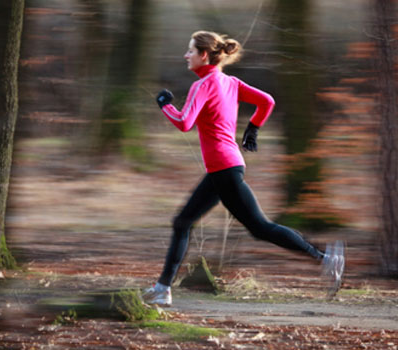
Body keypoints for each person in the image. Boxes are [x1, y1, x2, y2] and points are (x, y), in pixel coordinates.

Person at [143, 31, 344, 306]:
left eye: (190, 50)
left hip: (224, 169)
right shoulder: (231, 82)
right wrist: (253, 129)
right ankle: (162, 288)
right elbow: (267, 101)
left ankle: (325, 258)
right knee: (191, 223)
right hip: (227, 167)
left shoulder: (202, 86)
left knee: (256, 226)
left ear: (204, 55)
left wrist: (165, 106)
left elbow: (184, 122)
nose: (185, 55)